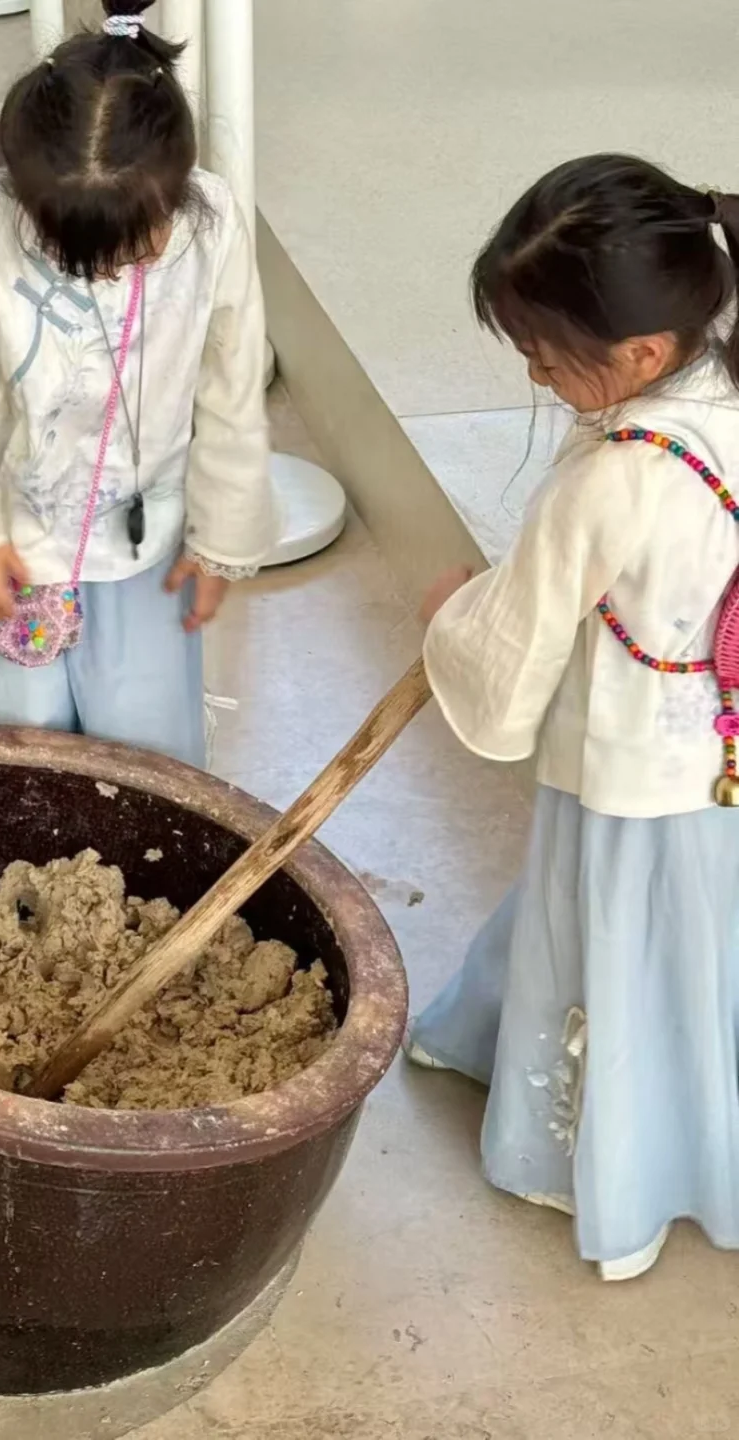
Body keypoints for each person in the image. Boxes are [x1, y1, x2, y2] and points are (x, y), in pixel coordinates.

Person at [408, 154, 739, 1281]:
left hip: (625, 762)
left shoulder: (610, 477)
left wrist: (451, 616)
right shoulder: (723, 393)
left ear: (642, 353)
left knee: (601, 932)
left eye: (547, 354)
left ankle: (595, 1161)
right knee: (696, 948)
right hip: (718, 744)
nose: (535, 372)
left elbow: (516, 648)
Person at [0, 0, 272, 769]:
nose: (111, 269)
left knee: (145, 740)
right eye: (76, 250)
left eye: (136, 242)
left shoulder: (216, 227)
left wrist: (222, 540)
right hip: (14, 548)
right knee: (19, 744)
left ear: (179, 185)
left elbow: (231, 389)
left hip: (145, 542)